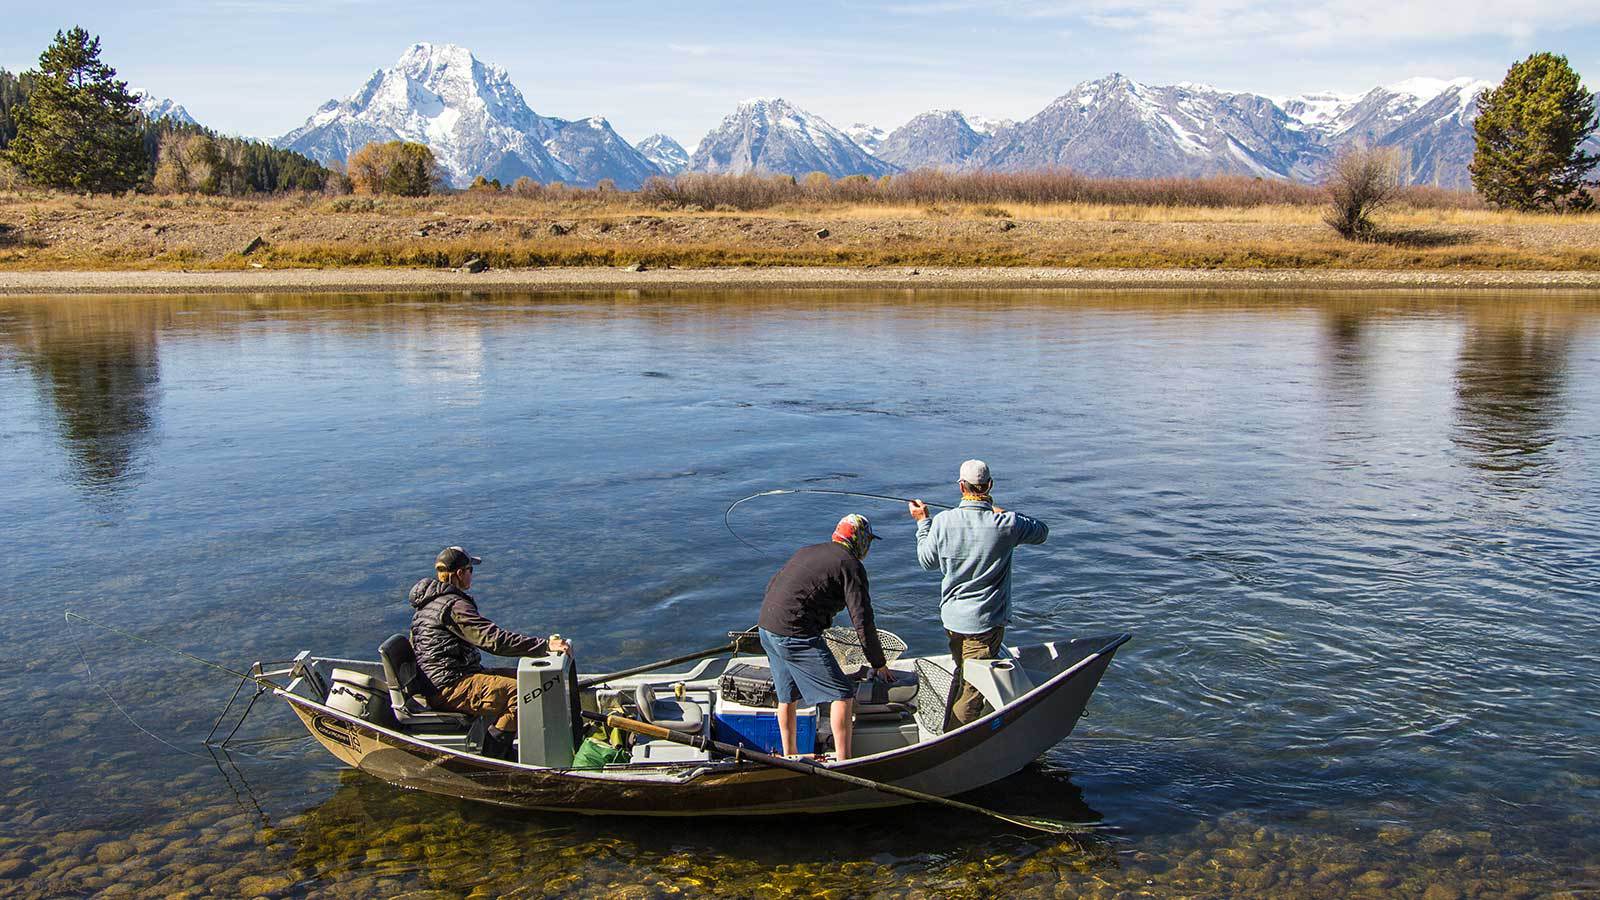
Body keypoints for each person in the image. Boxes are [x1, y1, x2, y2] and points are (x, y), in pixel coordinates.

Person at [908, 460, 1048, 728]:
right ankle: (952, 743)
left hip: (952, 620)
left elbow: (927, 561)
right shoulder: (1007, 524)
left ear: (961, 487)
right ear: (990, 485)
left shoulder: (943, 521)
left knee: (963, 673)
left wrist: (923, 523)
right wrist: (1002, 512)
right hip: (984, 624)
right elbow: (1042, 532)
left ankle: (951, 726)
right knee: (973, 690)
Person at [408, 545, 572, 760]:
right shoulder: (454, 607)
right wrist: (543, 646)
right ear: (459, 574)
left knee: (533, 682)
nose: (471, 575)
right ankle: (495, 757)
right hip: (449, 684)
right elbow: (493, 640)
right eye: (470, 570)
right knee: (524, 694)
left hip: (448, 677)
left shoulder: (429, 603)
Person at [757, 514, 895, 761]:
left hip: (767, 627)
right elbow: (862, 621)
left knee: (787, 695)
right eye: (868, 541)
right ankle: (846, 761)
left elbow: (773, 586)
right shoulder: (851, 566)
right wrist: (878, 663)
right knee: (842, 693)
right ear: (860, 540)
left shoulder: (807, 551)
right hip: (794, 635)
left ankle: (790, 756)